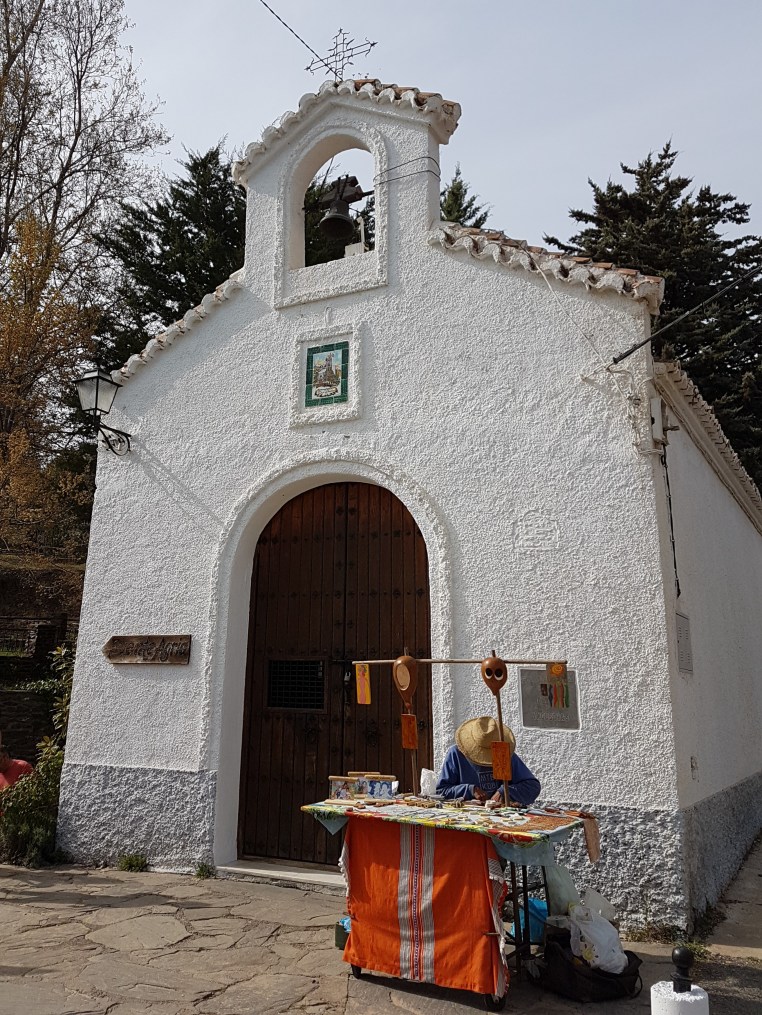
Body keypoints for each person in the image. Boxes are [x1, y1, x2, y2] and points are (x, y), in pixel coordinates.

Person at [436, 716, 540, 805]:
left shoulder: (504, 753)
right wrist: (470, 790)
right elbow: (442, 791)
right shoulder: (456, 754)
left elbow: (533, 787)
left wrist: (505, 791)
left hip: (501, 816)